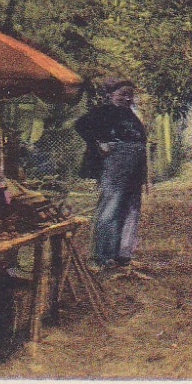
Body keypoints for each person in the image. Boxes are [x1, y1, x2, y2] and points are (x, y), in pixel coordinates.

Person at [75, 78, 149, 270]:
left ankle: (122, 255)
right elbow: (81, 125)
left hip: (135, 167)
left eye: (130, 95)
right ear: (110, 95)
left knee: (131, 208)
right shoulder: (104, 112)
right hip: (115, 165)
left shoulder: (132, 115)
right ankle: (99, 255)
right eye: (122, 94)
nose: (127, 98)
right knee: (111, 207)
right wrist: (98, 143)